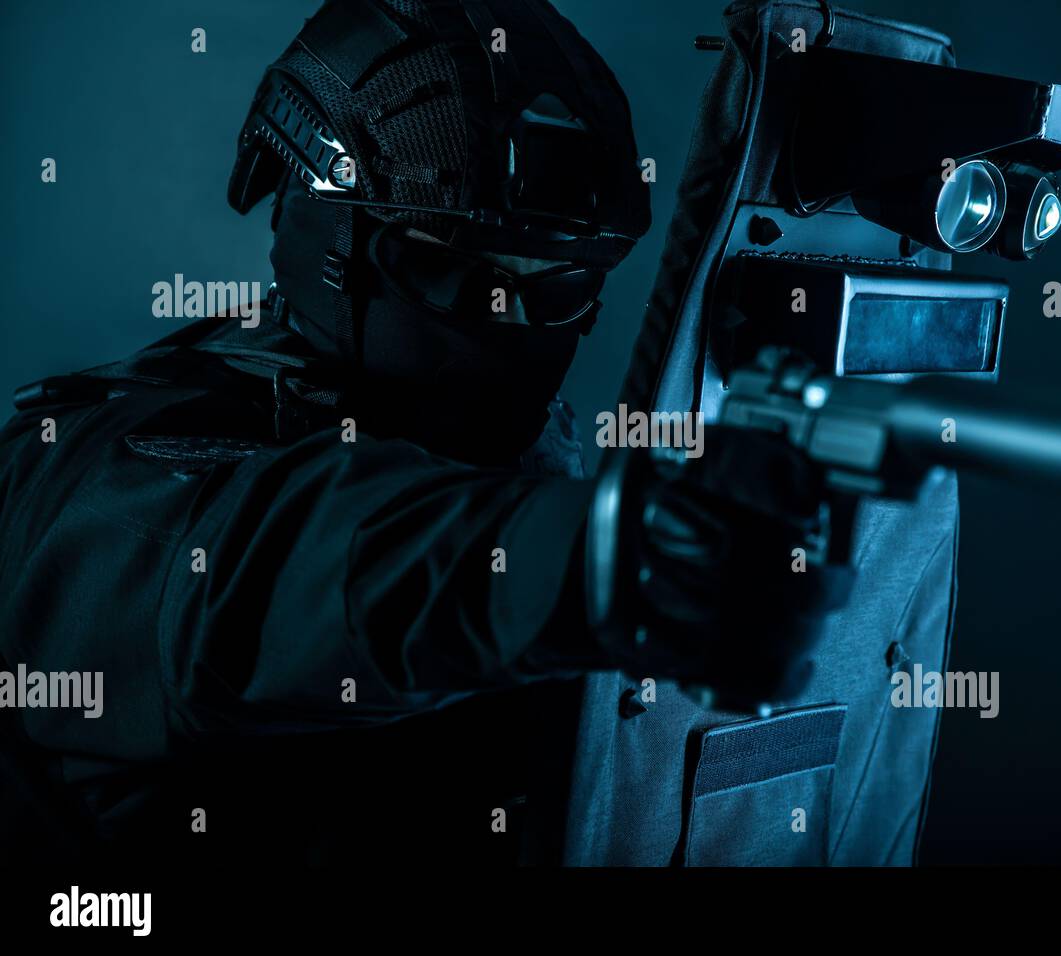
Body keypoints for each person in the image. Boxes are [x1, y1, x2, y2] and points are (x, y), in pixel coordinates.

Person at [0, 0, 957, 868]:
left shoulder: (528, 458)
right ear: (326, 240)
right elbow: (302, 557)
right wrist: (603, 559)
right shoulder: (111, 480)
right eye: (462, 277)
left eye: (564, 286)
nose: (516, 322)